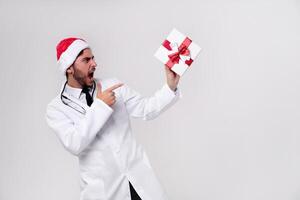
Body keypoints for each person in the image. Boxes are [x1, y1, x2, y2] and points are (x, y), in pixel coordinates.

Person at [46, 37, 181, 200]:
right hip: (104, 191)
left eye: (93, 58)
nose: (94, 64)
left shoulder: (113, 85)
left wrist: (170, 86)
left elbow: (146, 110)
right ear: (69, 68)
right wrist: (101, 106)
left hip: (139, 182)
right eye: (86, 60)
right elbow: (74, 143)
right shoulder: (56, 108)